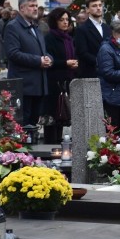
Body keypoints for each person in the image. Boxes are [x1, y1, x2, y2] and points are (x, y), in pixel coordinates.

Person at [4, 0, 52, 126]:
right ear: (22, 8)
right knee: (23, 125)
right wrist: (38, 61)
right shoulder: (13, 26)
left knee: (33, 124)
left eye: (36, 5)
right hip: (24, 85)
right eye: (31, 6)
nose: (35, 8)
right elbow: (13, 53)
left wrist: (49, 59)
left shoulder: (36, 26)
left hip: (39, 84)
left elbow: (42, 51)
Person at [43, 8, 78, 143]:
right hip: (54, 81)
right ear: (54, 21)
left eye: (67, 20)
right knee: (54, 114)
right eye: (61, 20)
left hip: (67, 79)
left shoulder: (68, 38)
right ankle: (51, 144)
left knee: (63, 115)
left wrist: (74, 63)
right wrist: (65, 63)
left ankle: (59, 142)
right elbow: (50, 60)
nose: (65, 22)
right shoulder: (50, 37)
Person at [74, 0, 111, 78]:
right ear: (87, 10)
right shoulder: (82, 29)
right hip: (91, 73)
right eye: (94, 6)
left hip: (108, 73)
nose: (98, 8)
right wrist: (101, 62)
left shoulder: (107, 28)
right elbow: (82, 53)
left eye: (100, 5)